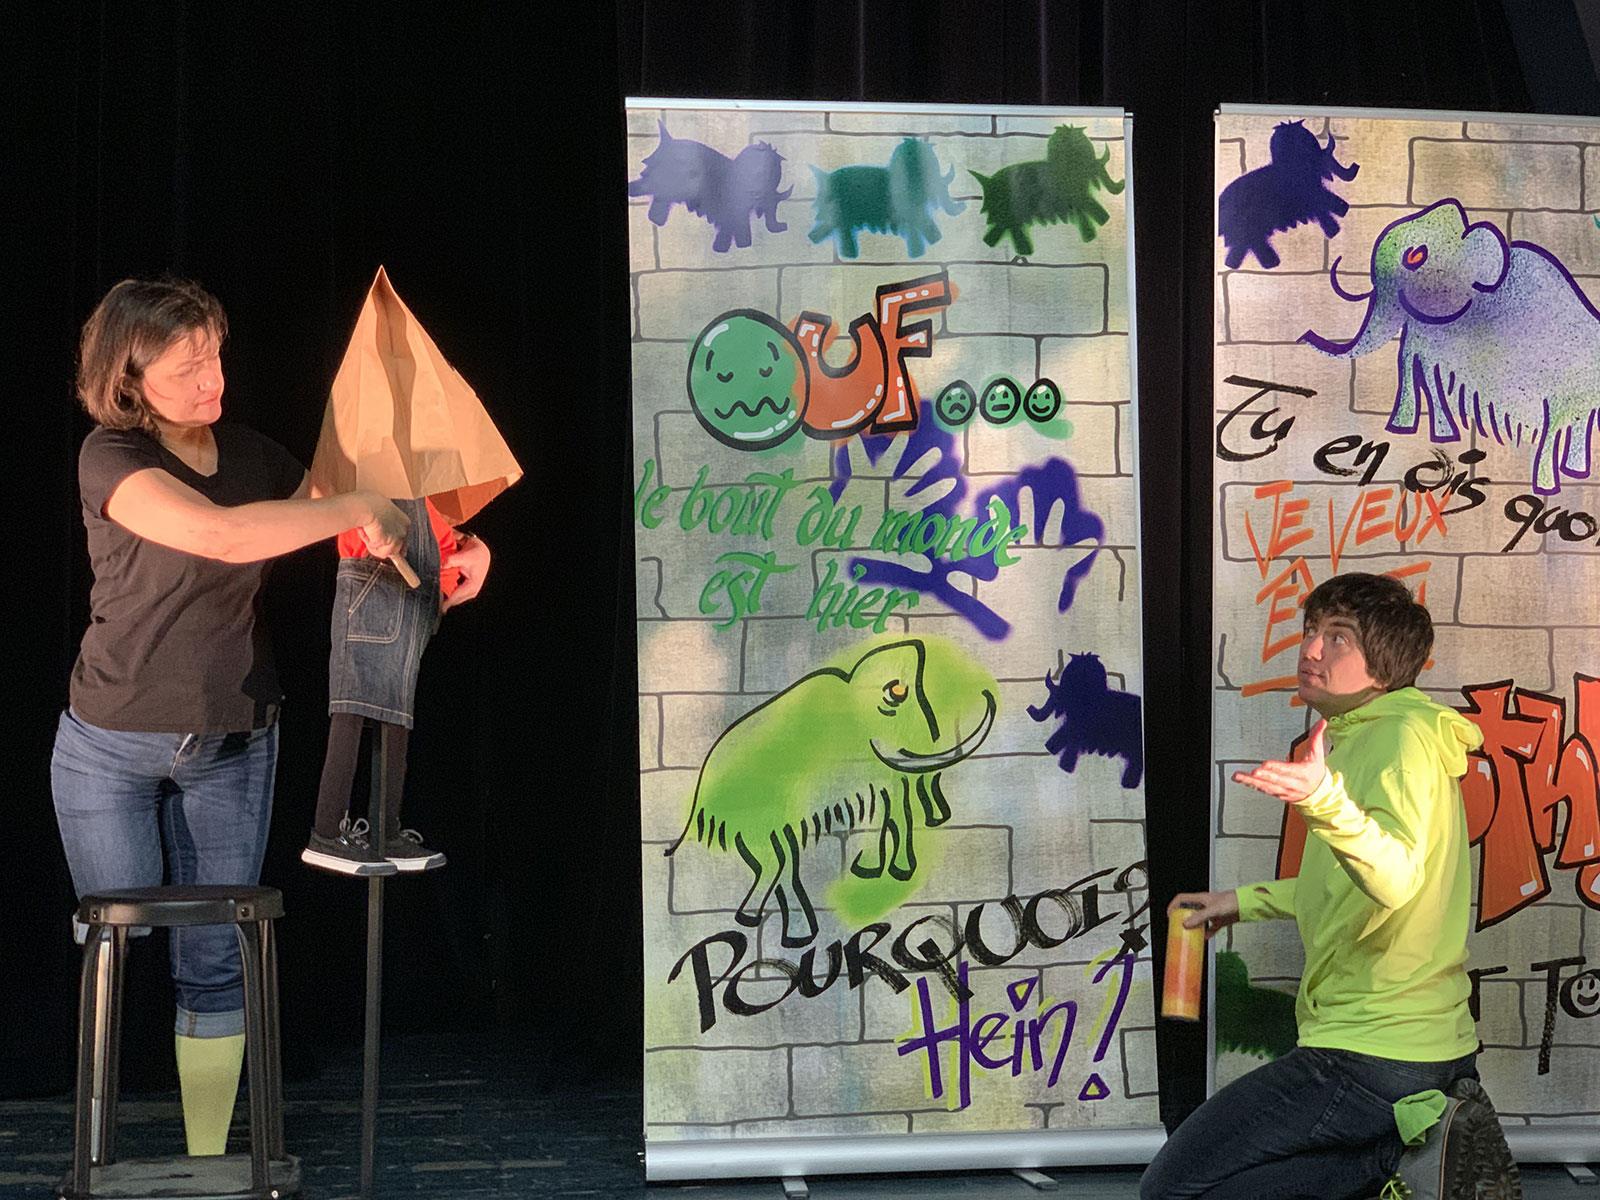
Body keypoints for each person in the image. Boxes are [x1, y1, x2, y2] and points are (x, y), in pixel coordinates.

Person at [51, 276, 491, 1156]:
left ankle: (209, 1159)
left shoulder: (257, 457)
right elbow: (221, 535)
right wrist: (354, 507)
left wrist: (459, 546)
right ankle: (95, 1154)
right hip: (110, 746)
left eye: (214, 356)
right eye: (185, 367)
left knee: (217, 957)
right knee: (114, 942)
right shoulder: (110, 455)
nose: (211, 379)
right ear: (129, 377)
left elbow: (367, 525)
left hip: (234, 742)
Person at [1141, 573, 1518, 1200]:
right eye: (1311, 630)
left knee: (1173, 1189)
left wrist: (1322, 799)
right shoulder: (1377, 734)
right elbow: (1345, 886)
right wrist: (1242, 902)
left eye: (1338, 637)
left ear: (1384, 666)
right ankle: (1404, 1157)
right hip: (1415, 1049)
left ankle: (1398, 1163)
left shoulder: (1397, 741)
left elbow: (1394, 881)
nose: (1311, 648)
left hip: (1374, 1055)